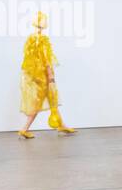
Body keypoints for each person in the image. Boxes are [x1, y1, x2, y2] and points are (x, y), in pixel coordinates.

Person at [17, 11, 77, 139]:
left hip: (33, 75)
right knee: (40, 103)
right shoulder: (43, 40)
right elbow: (46, 59)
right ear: (43, 25)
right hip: (43, 76)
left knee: (51, 100)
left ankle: (62, 125)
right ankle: (24, 129)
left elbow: (28, 59)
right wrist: (50, 76)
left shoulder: (30, 40)